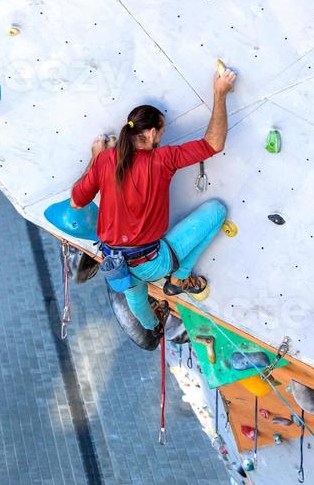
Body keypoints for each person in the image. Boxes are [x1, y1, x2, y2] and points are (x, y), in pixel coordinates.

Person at [70, 67, 236, 331]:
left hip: (115, 263)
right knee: (216, 211)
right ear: (149, 134)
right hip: (150, 262)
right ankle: (179, 279)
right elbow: (213, 144)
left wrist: (95, 156)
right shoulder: (162, 160)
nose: (162, 138)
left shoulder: (104, 160)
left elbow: (77, 201)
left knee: (136, 298)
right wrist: (220, 93)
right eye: (161, 132)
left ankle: (151, 327)